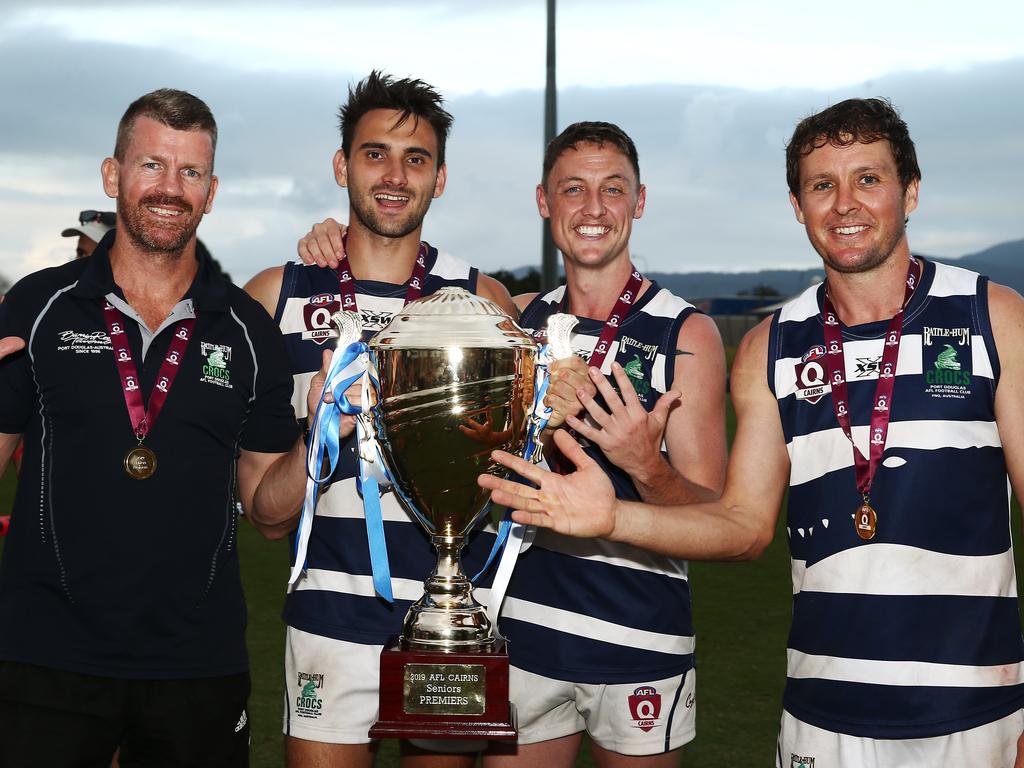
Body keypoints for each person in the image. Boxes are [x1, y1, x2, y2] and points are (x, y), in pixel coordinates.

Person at [479, 98, 1024, 767]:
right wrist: (611, 512)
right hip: (824, 718)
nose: (845, 204)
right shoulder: (772, 347)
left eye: (869, 179)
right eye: (823, 185)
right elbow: (742, 528)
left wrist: (640, 475)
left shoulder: (992, 317)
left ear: (910, 190)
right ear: (798, 205)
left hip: (983, 713)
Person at [0, 88, 318, 767]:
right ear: (113, 176)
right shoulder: (38, 308)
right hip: (46, 657)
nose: (170, 188)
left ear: (211, 191)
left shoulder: (245, 329)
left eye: (191, 172)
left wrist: (317, 440)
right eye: (152, 165)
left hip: (196, 664)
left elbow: (267, 515)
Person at [244, 71, 518, 768]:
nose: (395, 176)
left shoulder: (485, 305)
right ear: (342, 166)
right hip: (327, 624)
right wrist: (321, 430)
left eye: (416, 159)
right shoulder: (277, 298)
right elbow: (266, 515)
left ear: (440, 177)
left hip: (449, 622)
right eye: (375, 154)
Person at [480, 122, 726, 768]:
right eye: (574, 189)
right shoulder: (518, 323)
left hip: (640, 636)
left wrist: (646, 464)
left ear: (639, 202)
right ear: (544, 202)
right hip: (522, 633)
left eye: (613, 190)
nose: (593, 209)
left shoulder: (686, 334)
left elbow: (715, 515)